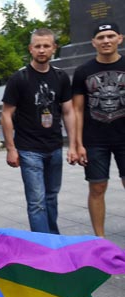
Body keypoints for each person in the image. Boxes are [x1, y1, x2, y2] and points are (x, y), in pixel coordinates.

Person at [1, 28, 77, 234]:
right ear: (30, 49)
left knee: (51, 197)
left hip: (54, 147)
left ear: (54, 48)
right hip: (29, 149)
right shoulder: (19, 78)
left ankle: (52, 238)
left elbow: (68, 111)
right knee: (37, 202)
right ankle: (42, 245)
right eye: (37, 46)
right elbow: (6, 114)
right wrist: (10, 148)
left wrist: (73, 145)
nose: (42, 50)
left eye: (46, 46)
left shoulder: (61, 77)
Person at [72, 22, 125, 237]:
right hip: (94, 140)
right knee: (97, 187)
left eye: (110, 36)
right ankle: (99, 239)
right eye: (101, 37)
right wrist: (77, 144)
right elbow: (76, 110)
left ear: (120, 38)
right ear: (94, 42)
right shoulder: (83, 71)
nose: (106, 41)